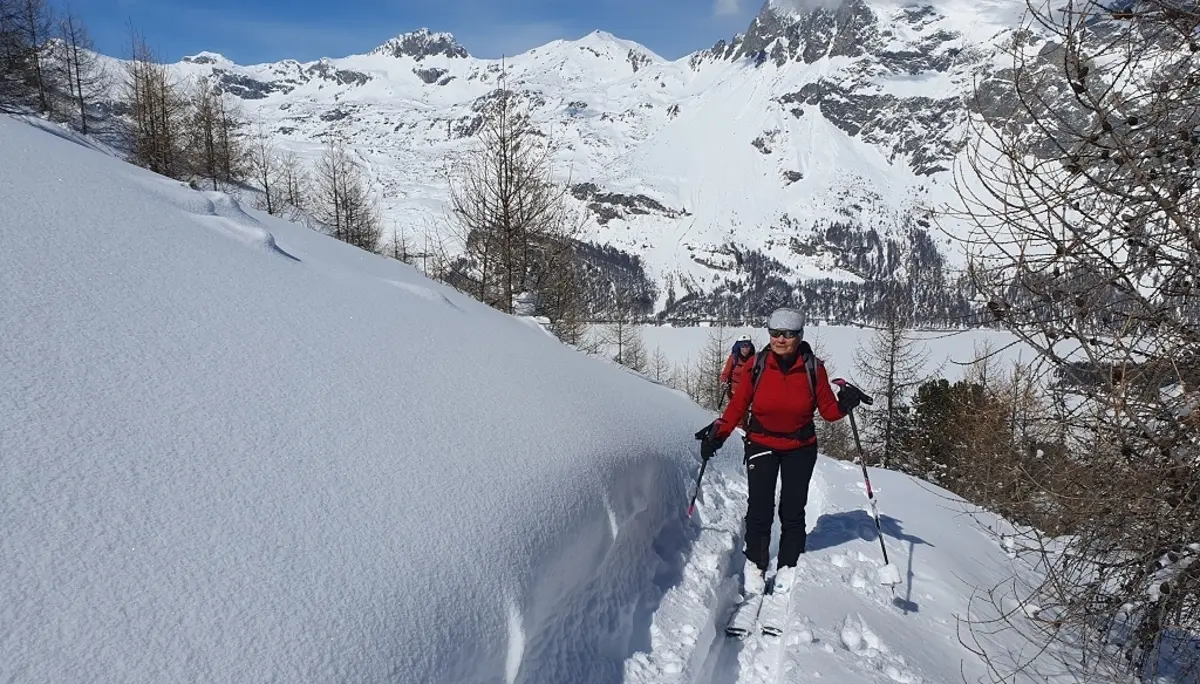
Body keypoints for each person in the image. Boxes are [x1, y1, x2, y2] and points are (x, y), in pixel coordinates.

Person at [694, 307, 869, 596]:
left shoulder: (814, 368)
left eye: (788, 334)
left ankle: (788, 564)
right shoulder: (757, 365)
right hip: (761, 442)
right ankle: (755, 565)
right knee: (759, 507)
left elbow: (828, 412)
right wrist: (719, 433)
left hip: (800, 447)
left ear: (799, 335)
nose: (780, 339)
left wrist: (845, 404)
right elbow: (738, 405)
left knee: (792, 508)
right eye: (775, 333)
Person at [720, 334, 756, 402]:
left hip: (748, 391)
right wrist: (724, 382)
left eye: (747, 345)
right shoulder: (733, 358)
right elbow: (726, 373)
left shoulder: (754, 359)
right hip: (734, 391)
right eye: (742, 345)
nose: (745, 347)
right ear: (739, 346)